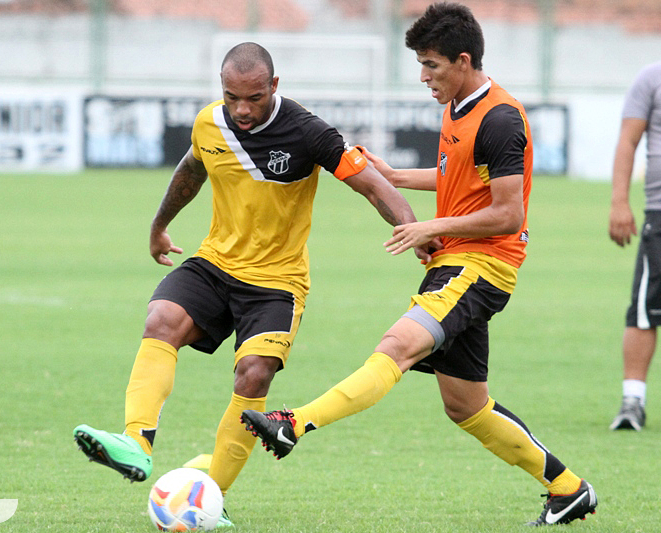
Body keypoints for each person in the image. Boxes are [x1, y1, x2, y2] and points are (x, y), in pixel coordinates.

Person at [241, 3, 598, 526]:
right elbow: (459, 177)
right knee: (467, 407)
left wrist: (430, 227)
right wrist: (398, 177)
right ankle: (569, 489)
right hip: (458, 262)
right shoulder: (460, 106)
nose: (424, 76)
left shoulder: (500, 119)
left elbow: (507, 212)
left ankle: (294, 423)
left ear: (462, 59)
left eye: (431, 65)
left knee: (396, 346)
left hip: (480, 267)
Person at [72, 42, 427, 526]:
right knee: (161, 320)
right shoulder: (210, 123)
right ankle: (135, 444)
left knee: (254, 374)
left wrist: (410, 228)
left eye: (254, 97)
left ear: (274, 87)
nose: (241, 108)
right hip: (215, 264)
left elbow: (373, 185)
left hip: (277, 283)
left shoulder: (308, 132)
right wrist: (159, 225)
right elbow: (192, 169)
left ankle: (210, 496)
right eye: (231, 96)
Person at [608, 61, 661, 431]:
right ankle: (633, 402)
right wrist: (619, 202)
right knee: (644, 310)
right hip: (659, 213)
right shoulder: (651, 77)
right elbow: (628, 140)